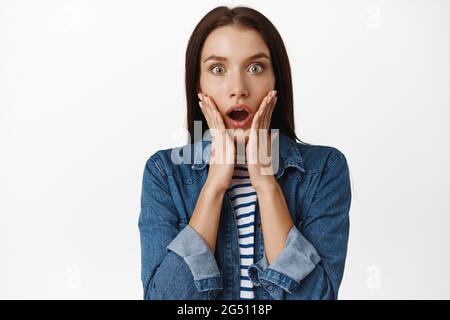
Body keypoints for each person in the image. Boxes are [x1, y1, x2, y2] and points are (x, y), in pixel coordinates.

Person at [138, 6, 352, 300]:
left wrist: (265, 183)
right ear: (197, 84)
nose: (238, 88)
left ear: (276, 78)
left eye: (255, 68)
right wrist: (214, 186)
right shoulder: (164, 172)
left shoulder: (324, 168)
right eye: (218, 69)